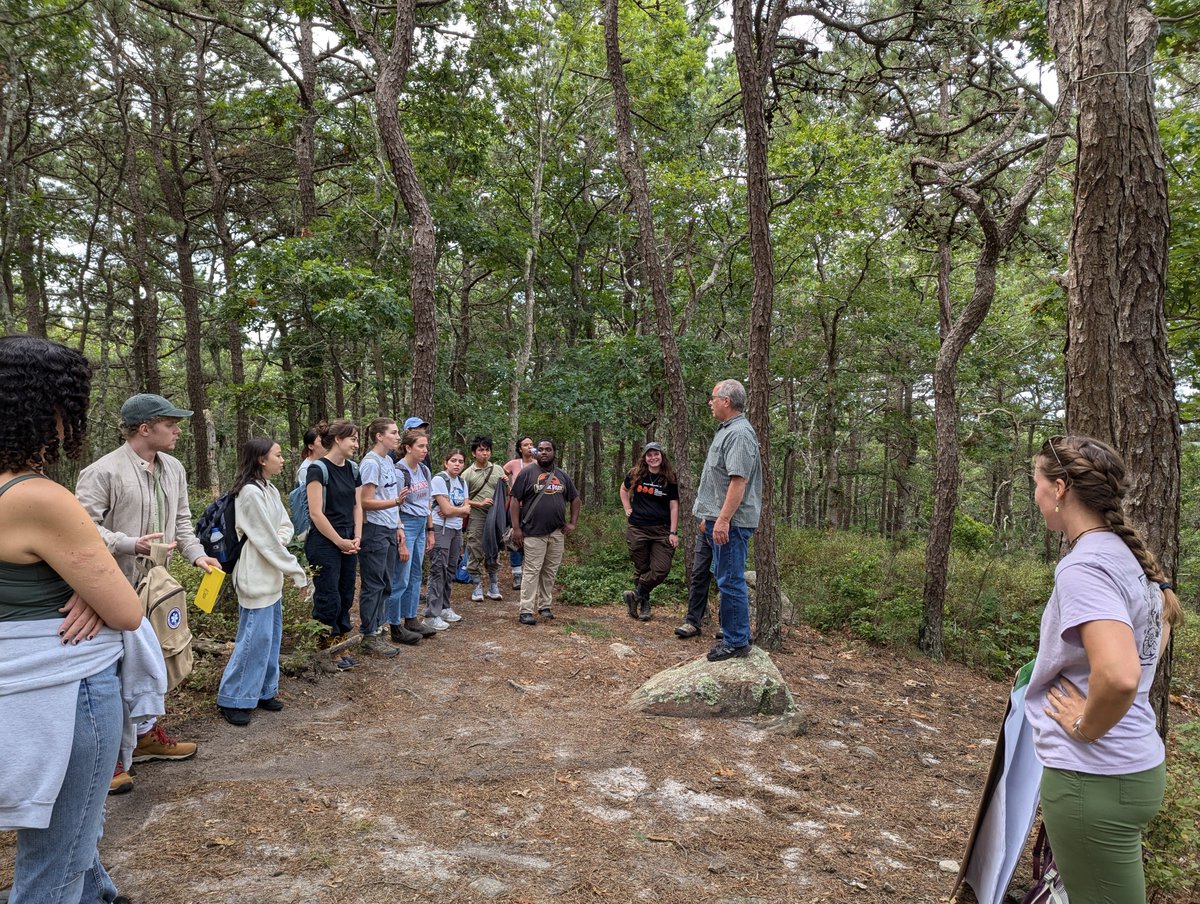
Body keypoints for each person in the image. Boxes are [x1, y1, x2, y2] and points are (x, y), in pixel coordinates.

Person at [0, 335, 144, 904]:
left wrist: (82, 577)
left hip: (15, 683)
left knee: (72, 830)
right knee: (55, 857)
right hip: (67, 690)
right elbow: (127, 610)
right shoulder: (39, 497)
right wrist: (95, 582)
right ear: (50, 410)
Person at [1028, 435, 1182, 902]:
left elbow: (1118, 675)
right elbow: (1161, 629)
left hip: (1092, 777)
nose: (1033, 494)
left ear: (1058, 489)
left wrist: (1084, 725)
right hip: (1132, 765)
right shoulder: (1124, 555)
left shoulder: (1085, 567)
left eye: (1034, 482)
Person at [76, 391, 214, 792]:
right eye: (170, 424)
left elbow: (183, 522)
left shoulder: (173, 468)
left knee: (153, 664)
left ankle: (147, 736)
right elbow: (83, 530)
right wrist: (127, 542)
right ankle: (111, 761)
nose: (177, 431)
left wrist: (198, 556)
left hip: (156, 586)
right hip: (110, 589)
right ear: (145, 428)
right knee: (114, 673)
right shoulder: (102, 472)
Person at [216, 438, 310, 725]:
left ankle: (264, 690)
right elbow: (265, 541)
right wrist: (297, 570)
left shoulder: (269, 489)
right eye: (278, 455)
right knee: (253, 638)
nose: (282, 460)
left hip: (271, 576)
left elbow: (284, 526)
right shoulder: (249, 494)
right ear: (261, 459)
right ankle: (233, 697)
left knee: (271, 637)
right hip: (254, 575)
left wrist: (280, 541)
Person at [685, 379, 762, 662]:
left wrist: (723, 520)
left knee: (730, 580)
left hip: (732, 522)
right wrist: (709, 517)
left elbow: (738, 481)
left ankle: (737, 641)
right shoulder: (727, 431)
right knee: (726, 578)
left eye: (713, 397)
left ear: (726, 401)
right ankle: (735, 635)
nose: (710, 402)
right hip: (718, 519)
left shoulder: (740, 433)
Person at [304, 419, 362, 667]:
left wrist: (357, 536)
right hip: (325, 541)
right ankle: (325, 649)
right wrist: (339, 541)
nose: (356, 445)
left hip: (350, 540)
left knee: (347, 592)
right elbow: (316, 513)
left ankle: (341, 644)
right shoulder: (317, 469)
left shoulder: (353, 469)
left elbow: (357, 505)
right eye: (353, 439)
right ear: (338, 439)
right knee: (328, 596)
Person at [357, 418, 415, 654]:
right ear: (379, 436)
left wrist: (399, 526)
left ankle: (379, 630)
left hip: (389, 529)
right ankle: (369, 635)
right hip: (374, 531)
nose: (397, 436)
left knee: (386, 583)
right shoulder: (371, 463)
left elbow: (393, 498)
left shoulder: (389, 461)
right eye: (393, 432)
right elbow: (365, 501)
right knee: (374, 584)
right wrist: (394, 502)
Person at [509, 439, 580, 625]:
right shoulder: (527, 473)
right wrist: (516, 528)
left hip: (557, 533)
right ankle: (526, 609)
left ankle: (545, 605)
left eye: (548, 449)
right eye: (540, 450)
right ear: (535, 453)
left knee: (550, 571)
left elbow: (575, 498)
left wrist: (572, 522)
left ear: (554, 452)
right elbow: (515, 500)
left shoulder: (562, 476)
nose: (544, 452)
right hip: (533, 532)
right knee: (532, 571)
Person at [385, 429, 438, 642]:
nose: (425, 450)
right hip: (404, 524)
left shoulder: (424, 471)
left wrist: (431, 530)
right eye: (420, 446)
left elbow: (427, 504)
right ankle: (394, 623)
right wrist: (401, 539)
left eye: (426, 446)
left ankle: (411, 618)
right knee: (401, 576)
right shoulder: (399, 472)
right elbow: (394, 506)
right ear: (408, 447)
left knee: (416, 575)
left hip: (420, 525)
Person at [619, 442, 679, 621]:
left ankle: (637, 594)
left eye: (656, 454)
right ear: (644, 457)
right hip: (638, 528)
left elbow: (674, 506)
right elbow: (623, 489)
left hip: (661, 530)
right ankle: (644, 604)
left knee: (661, 569)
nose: (653, 458)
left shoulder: (669, 477)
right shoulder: (636, 473)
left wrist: (673, 532)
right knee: (642, 568)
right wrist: (627, 508)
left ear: (662, 456)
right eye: (649, 455)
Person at [425, 449, 470, 629]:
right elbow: (448, 509)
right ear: (446, 462)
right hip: (439, 528)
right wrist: (454, 510)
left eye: (460, 461)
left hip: (456, 529)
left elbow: (466, 508)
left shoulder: (462, 482)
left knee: (450, 569)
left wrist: (453, 510)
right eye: (453, 460)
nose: (457, 464)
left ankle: (444, 607)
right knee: (438, 569)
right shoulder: (439, 480)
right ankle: (430, 614)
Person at [462, 436, 505, 602]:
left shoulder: (498, 470)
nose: (484, 453)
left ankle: (493, 584)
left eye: (487, 450)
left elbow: (507, 493)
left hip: (495, 517)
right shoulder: (467, 474)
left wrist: (506, 484)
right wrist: (478, 503)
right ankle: (476, 585)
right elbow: (461, 498)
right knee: (475, 548)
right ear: (474, 453)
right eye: (481, 450)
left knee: (494, 548)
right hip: (477, 516)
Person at [504, 435, 535, 590]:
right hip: (517, 507)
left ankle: (529, 573)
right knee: (515, 538)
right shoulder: (514, 464)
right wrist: (510, 490)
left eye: (531, 444)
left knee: (533, 539)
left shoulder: (538, 464)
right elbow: (501, 475)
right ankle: (517, 574)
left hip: (535, 509)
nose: (529, 447)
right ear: (520, 448)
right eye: (525, 445)